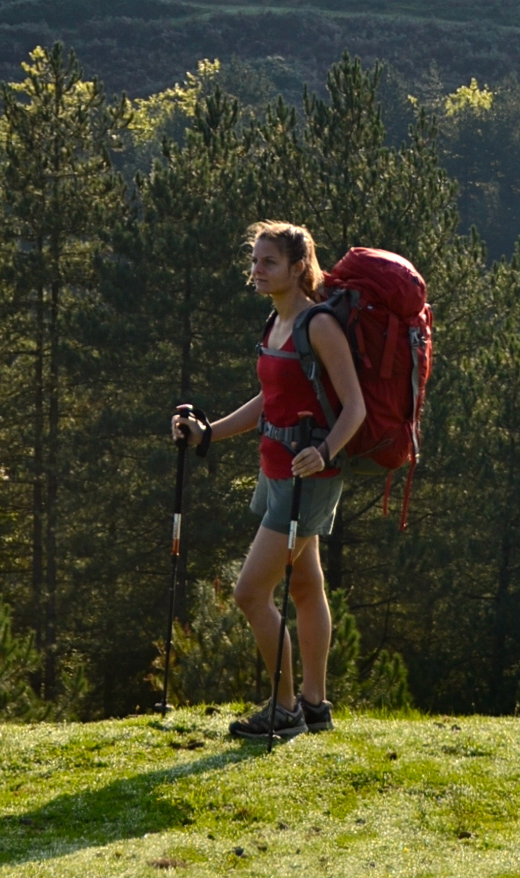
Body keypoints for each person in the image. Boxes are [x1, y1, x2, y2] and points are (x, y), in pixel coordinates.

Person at [173, 219, 365, 740]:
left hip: (309, 479)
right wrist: (208, 434)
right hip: (276, 471)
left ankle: (285, 710)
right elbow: (270, 404)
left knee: (250, 593)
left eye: (269, 262)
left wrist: (323, 452)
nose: (257, 270)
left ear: (300, 267)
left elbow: (356, 408)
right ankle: (314, 705)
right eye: (255, 260)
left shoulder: (318, 324)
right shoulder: (275, 324)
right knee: (305, 588)